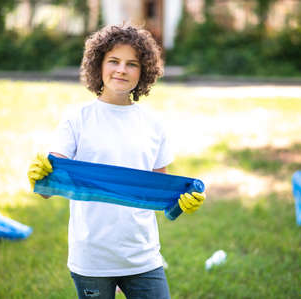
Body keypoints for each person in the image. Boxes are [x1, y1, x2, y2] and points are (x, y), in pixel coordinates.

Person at [27, 24, 206, 299]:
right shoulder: (77, 118)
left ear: (143, 71)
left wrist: (182, 201)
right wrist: (41, 177)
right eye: (113, 61)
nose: (121, 69)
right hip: (91, 256)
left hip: (142, 255)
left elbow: (157, 191)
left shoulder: (154, 124)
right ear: (98, 65)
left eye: (131, 64)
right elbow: (48, 189)